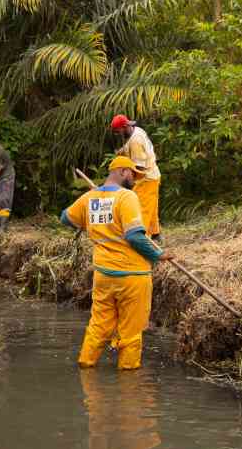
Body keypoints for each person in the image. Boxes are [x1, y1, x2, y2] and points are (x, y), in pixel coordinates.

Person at [61, 156, 173, 370]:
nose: (135, 179)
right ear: (122, 171)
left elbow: (65, 218)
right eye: (133, 174)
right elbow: (135, 237)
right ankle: (128, 382)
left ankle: (86, 365)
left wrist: (90, 218)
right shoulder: (126, 197)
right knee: (131, 332)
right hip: (132, 276)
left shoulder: (90, 198)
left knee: (98, 326)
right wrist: (158, 255)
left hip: (103, 275)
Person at [111, 114, 162, 242]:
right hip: (153, 175)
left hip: (146, 178)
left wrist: (127, 180)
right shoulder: (136, 130)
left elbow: (140, 167)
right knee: (151, 206)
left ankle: (142, 240)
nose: (117, 134)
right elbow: (130, 147)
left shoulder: (135, 142)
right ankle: (155, 234)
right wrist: (122, 151)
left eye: (118, 132)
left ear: (124, 127)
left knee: (142, 209)